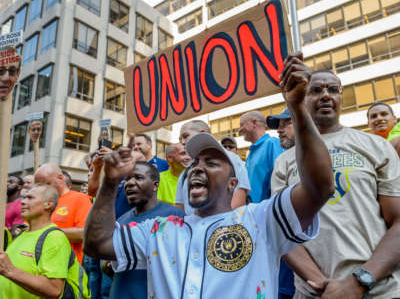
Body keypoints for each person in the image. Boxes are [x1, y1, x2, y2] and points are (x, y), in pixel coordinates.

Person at [83, 53, 336, 298]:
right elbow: (98, 243)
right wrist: (110, 182)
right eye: (194, 163)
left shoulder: (261, 220)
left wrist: (299, 109)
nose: (198, 168)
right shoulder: (158, 231)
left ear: (232, 184)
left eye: (212, 162)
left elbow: (319, 187)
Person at [271, 61, 400, 298]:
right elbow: (283, 230)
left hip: (379, 289)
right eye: (316, 90)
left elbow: (398, 221)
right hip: (316, 292)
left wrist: (360, 281)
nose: (326, 95)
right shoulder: (284, 161)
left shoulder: (376, 146)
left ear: (341, 96)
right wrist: (325, 287)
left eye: (333, 89)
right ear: (302, 97)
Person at [109, 161, 185, 299]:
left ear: (155, 185)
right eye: (127, 179)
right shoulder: (120, 222)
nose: (129, 183)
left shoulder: (175, 216)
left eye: (138, 178)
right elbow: (107, 265)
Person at [0, 183, 71, 299]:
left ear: (49, 204)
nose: (22, 202)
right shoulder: (21, 235)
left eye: (30, 198)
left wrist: (10, 271)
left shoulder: (54, 237)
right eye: (24, 198)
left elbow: (54, 289)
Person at [176, 120, 251, 212]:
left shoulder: (232, 159)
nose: (182, 142)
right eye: (180, 139)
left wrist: (221, 224)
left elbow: (239, 199)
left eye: (185, 136)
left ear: (202, 133)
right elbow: (180, 206)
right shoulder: (186, 172)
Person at [34, 163, 92, 264]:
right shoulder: (41, 202)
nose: (43, 189)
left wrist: (44, 232)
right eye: (40, 186)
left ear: (60, 178)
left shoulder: (80, 198)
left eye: (47, 184)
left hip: (66, 266)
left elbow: (83, 234)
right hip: (39, 263)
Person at [267, 107, 296, 299]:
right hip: (296, 269)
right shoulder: (283, 160)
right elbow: (279, 222)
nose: (279, 130)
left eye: (286, 124)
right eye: (278, 126)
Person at [239, 110, 283, 203]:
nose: (239, 130)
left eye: (242, 125)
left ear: (254, 123)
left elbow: (281, 180)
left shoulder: (272, 144)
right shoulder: (251, 153)